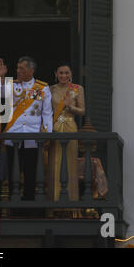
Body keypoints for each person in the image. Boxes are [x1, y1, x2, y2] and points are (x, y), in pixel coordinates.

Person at [0, 57, 53, 203]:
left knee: (30, 173)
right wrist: (1, 77)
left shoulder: (42, 88)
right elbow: (1, 93)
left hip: (32, 137)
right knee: (12, 172)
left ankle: (28, 205)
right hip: (13, 135)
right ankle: (13, 206)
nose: (18, 71)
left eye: (22, 68)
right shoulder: (12, 85)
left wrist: (46, 133)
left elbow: (47, 113)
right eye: (18, 68)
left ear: (31, 70)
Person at [47, 62, 85, 202]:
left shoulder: (77, 89)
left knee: (69, 163)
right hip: (55, 126)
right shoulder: (50, 89)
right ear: (56, 74)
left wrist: (70, 107)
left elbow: (82, 111)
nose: (64, 75)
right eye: (61, 73)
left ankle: (71, 202)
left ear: (71, 74)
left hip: (70, 125)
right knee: (54, 163)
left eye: (66, 73)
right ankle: (53, 201)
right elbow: (46, 111)